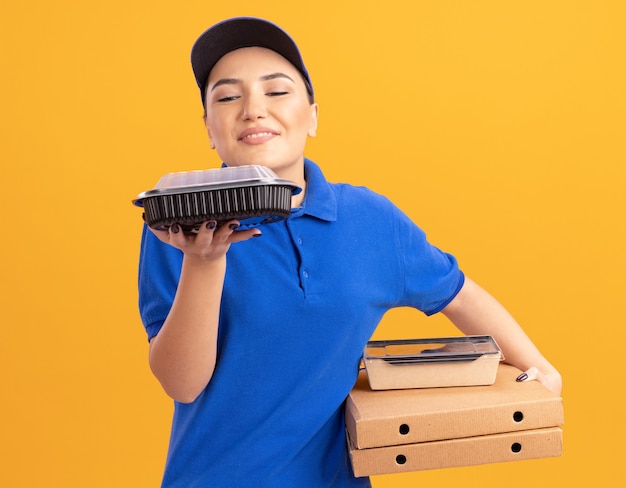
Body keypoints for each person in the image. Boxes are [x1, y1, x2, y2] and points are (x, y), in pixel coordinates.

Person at [137, 16, 562, 488]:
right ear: (209, 128)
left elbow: (457, 294)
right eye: (228, 96)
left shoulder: (370, 220)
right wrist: (205, 261)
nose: (253, 109)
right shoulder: (182, 227)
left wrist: (537, 366)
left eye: (276, 91)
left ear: (313, 116)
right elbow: (182, 384)